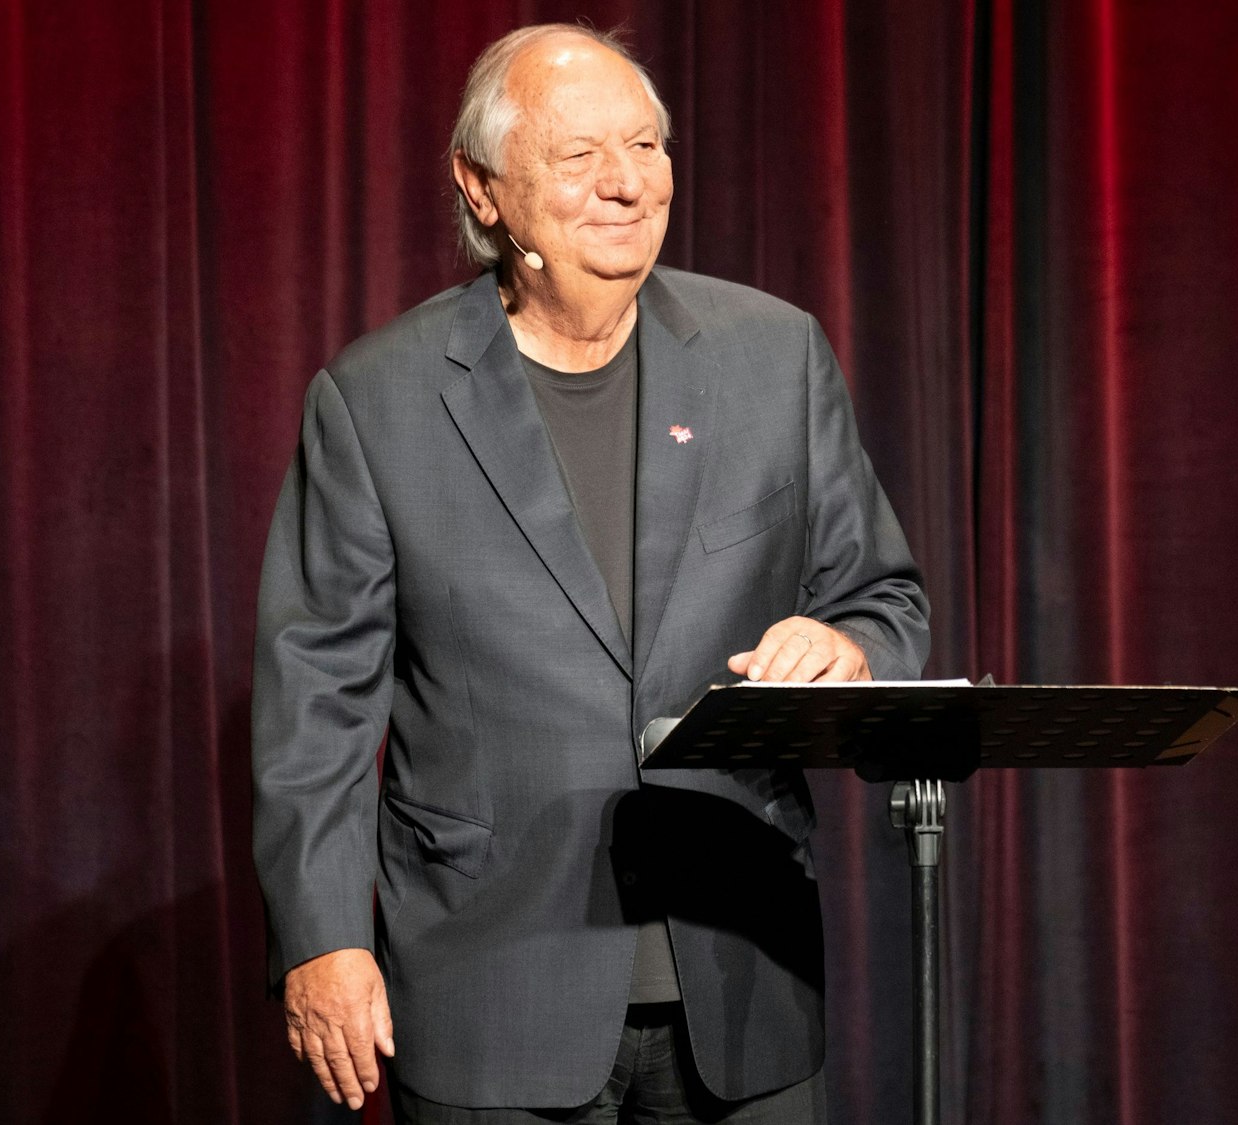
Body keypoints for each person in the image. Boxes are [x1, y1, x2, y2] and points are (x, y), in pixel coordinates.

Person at [249, 23, 928, 1124]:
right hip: (489, 977)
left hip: (739, 970)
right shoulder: (378, 400)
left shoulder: (773, 354)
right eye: (579, 157)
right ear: (483, 189)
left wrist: (847, 648)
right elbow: (315, 702)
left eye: (647, 145)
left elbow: (882, 599)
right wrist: (322, 936)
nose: (626, 184)